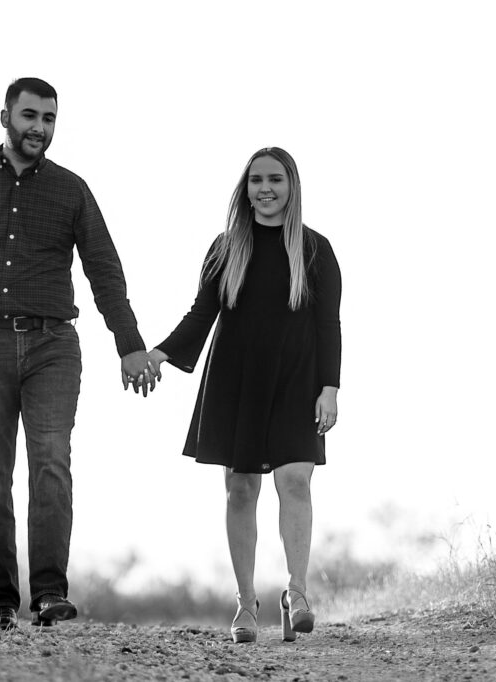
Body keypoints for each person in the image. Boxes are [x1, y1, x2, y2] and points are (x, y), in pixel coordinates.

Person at [0, 77, 159, 631]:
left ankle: (49, 594)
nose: (39, 128)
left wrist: (130, 346)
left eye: (48, 118)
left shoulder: (71, 191)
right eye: (29, 116)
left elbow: (104, 272)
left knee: (51, 466)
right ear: (5, 117)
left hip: (52, 348)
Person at [148, 147, 341, 643]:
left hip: (297, 379)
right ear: (245, 188)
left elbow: (328, 325)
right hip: (237, 379)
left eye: (275, 179)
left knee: (295, 481)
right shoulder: (225, 247)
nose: (266, 188)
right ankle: (246, 603)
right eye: (256, 180)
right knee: (240, 489)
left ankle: (297, 591)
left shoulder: (316, 250)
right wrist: (162, 354)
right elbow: (201, 314)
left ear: (292, 185)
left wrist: (330, 387)